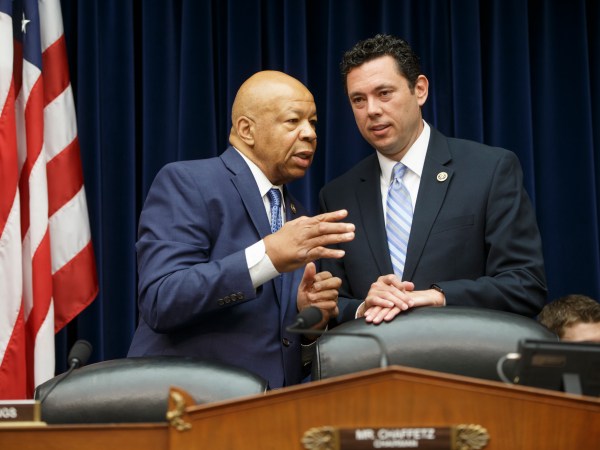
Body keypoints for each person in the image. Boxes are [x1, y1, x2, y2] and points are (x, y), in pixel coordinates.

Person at [128, 70, 355, 388]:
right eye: (293, 121)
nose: (310, 134)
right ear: (246, 130)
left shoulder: (296, 217)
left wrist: (307, 319)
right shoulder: (189, 182)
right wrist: (268, 256)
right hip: (189, 407)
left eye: (313, 123)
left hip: (267, 416)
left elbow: (282, 349)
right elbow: (161, 300)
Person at [319, 34, 547, 324]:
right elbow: (332, 303)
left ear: (420, 90)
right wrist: (363, 306)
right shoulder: (338, 196)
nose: (372, 110)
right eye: (359, 100)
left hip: (462, 362)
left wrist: (439, 296)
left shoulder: (489, 170)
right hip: (375, 364)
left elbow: (526, 285)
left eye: (384, 93)